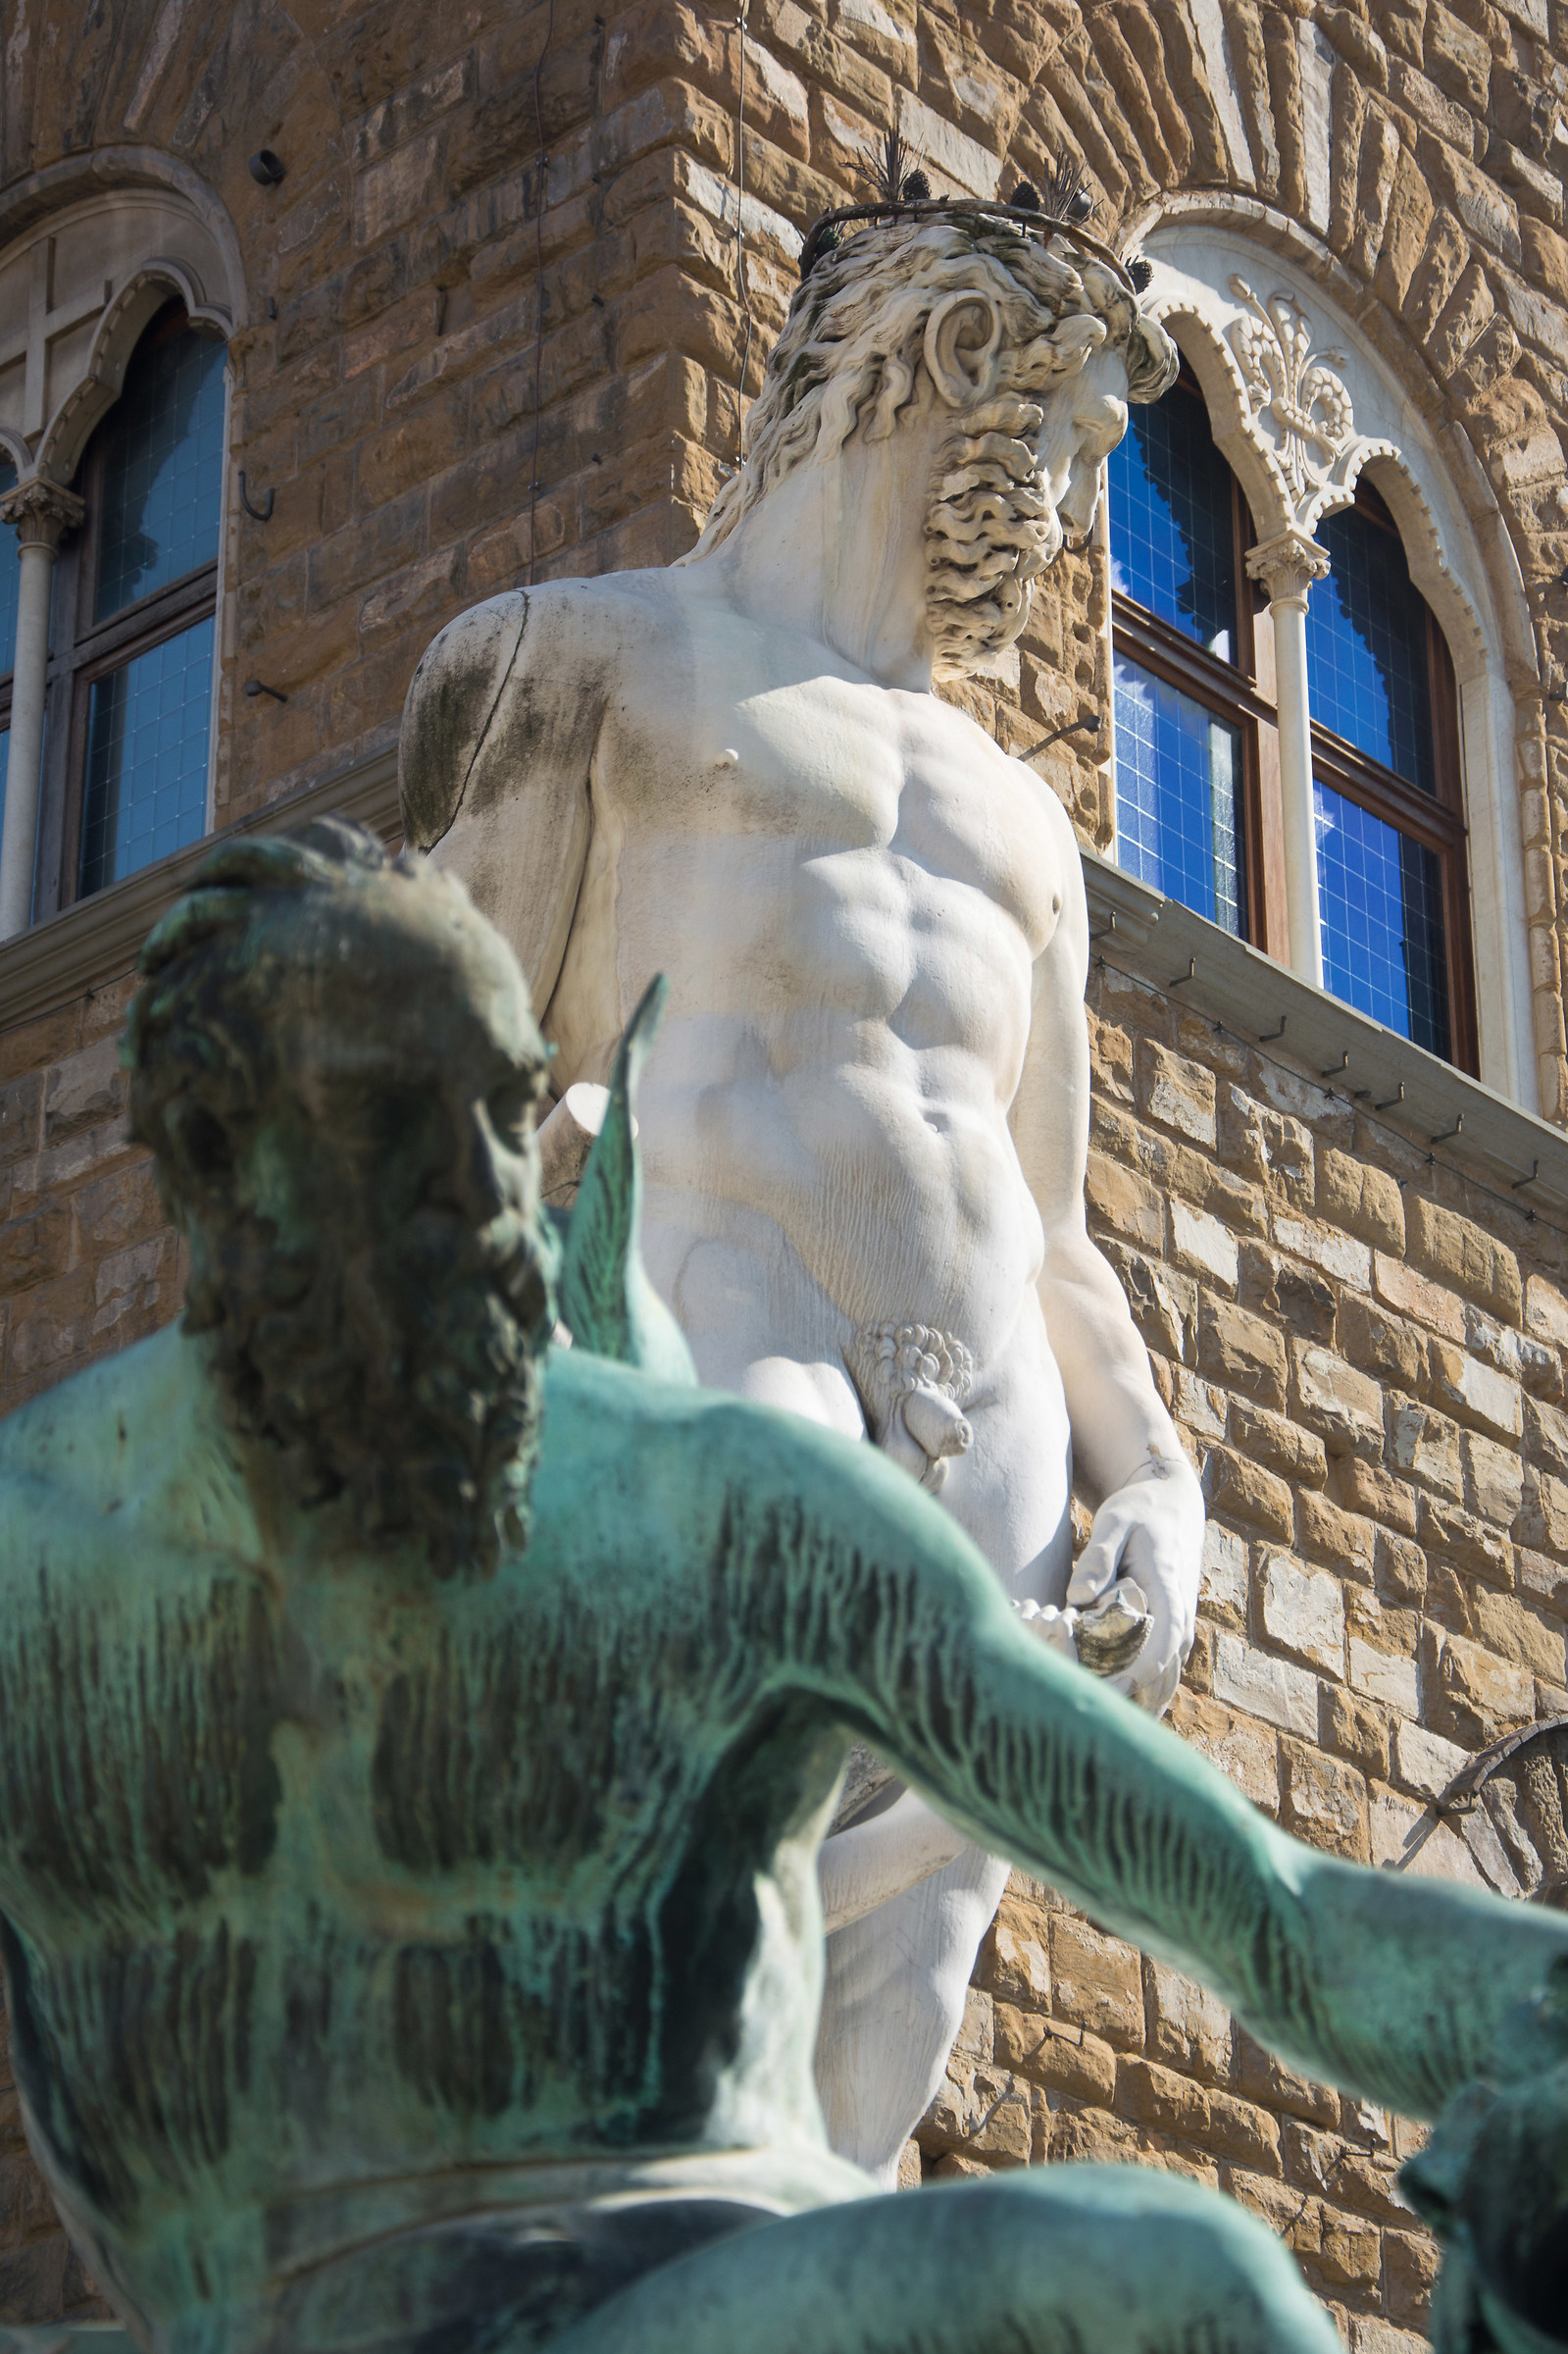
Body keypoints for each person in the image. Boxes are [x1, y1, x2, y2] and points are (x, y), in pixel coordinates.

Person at [0, 823, 1560, 2354]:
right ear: (214, 1153)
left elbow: (1268, 1920)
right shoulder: (34, 1561)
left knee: (1175, 2279)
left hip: (674, 2292)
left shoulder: (723, 1517)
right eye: (399, 1123)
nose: (483, 1193)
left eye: (505, 1112)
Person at [397, 189, 1200, 2180]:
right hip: (704, 1362)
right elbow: (417, 1102)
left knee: (881, 2054)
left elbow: (1055, 1228)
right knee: (674, 2028)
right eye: (1073, 450)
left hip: (991, 1453)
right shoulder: (575, 664)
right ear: (946, 374)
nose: (1073, 521)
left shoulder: (1021, 824)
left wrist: (1161, 1480)